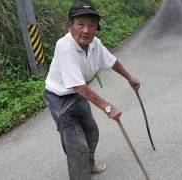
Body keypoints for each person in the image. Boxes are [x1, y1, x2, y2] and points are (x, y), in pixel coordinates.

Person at [43, 3, 140, 180]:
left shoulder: (95, 43)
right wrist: (108, 108)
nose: (86, 30)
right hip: (60, 98)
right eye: (80, 24)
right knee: (76, 145)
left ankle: (89, 164)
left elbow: (112, 62)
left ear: (97, 28)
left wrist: (130, 78)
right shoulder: (65, 46)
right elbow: (79, 86)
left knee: (91, 131)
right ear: (70, 25)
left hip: (78, 95)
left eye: (92, 25)